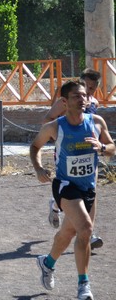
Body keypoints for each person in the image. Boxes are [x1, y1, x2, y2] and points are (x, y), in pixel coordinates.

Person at [31, 80, 114, 300]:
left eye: (84, 95)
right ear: (64, 102)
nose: (82, 99)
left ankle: (47, 263)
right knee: (85, 229)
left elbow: (112, 147)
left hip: (89, 188)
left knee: (68, 233)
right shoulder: (55, 127)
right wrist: (39, 167)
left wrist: (103, 148)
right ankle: (83, 285)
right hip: (66, 186)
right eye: (77, 96)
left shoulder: (96, 122)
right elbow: (35, 146)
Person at [43, 68, 103, 250]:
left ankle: (88, 233)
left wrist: (99, 146)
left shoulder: (94, 104)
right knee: (70, 186)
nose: (89, 92)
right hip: (67, 152)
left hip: (89, 154)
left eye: (92, 89)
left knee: (90, 188)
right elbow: (48, 119)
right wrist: (60, 133)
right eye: (87, 86)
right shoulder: (66, 103)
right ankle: (56, 205)